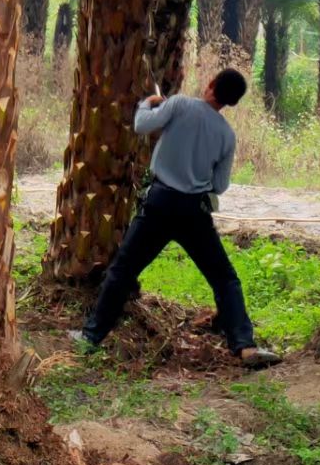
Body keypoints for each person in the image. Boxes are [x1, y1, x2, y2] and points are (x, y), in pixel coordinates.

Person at [72, 68, 280, 369]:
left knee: (123, 271)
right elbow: (220, 185)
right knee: (224, 279)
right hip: (194, 213)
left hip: (159, 204)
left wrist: (151, 102)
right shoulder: (226, 135)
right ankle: (245, 346)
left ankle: (90, 338)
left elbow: (142, 125)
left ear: (210, 84)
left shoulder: (179, 104)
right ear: (231, 102)